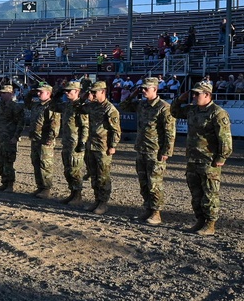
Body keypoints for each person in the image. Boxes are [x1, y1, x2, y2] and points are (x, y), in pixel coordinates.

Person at [171, 82, 234, 236]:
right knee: (196, 193)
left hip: (209, 160)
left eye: (197, 94)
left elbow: (225, 139)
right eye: (193, 93)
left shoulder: (217, 113)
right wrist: (180, 98)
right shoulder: (192, 110)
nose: (194, 96)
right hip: (193, 159)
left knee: (210, 193)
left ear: (207, 94)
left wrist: (222, 156)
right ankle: (200, 220)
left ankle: (210, 224)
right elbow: (174, 112)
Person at [119, 77, 176, 225]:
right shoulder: (142, 105)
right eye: (142, 88)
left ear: (155, 90)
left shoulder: (164, 107)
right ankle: (147, 209)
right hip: (141, 149)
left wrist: (166, 152)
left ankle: (156, 213)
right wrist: (133, 93)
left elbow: (170, 132)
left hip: (155, 151)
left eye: (146, 89)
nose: (143, 91)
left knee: (154, 183)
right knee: (143, 182)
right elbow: (124, 106)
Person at [79, 81, 121, 215]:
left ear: (103, 92)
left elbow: (116, 130)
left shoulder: (110, 109)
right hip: (91, 145)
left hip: (103, 147)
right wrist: (84, 97)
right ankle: (96, 200)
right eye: (91, 92)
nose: (92, 94)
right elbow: (77, 108)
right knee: (93, 174)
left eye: (94, 92)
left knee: (103, 176)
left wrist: (113, 146)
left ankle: (103, 203)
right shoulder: (92, 106)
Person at [50, 81, 89, 205]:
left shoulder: (81, 107)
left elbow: (85, 127)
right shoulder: (67, 105)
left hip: (75, 143)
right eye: (65, 91)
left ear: (77, 92)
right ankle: (72, 193)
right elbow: (52, 106)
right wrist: (57, 93)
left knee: (75, 170)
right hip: (67, 142)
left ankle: (77, 196)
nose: (66, 93)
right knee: (67, 170)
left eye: (69, 91)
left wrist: (82, 143)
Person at [0, 84, 24, 192]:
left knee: (8, 161)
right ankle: (4, 182)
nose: (2, 95)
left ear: (11, 94)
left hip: (10, 138)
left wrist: (16, 137)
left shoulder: (15, 106)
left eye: (4, 93)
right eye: (1, 93)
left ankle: (10, 184)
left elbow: (20, 123)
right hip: (0, 137)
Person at [25, 84, 60, 199]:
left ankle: (46, 188)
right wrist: (31, 93)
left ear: (49, 94)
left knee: (45, 164)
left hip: (45, 140)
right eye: (38, 92)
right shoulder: (36, 105)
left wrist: (50, 138)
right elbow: (27, 103)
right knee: (36, 162)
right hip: (35, 138)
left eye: (41, 92)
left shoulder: (52, 106)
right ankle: (40, 186)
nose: (38, 94)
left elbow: (54, 124)